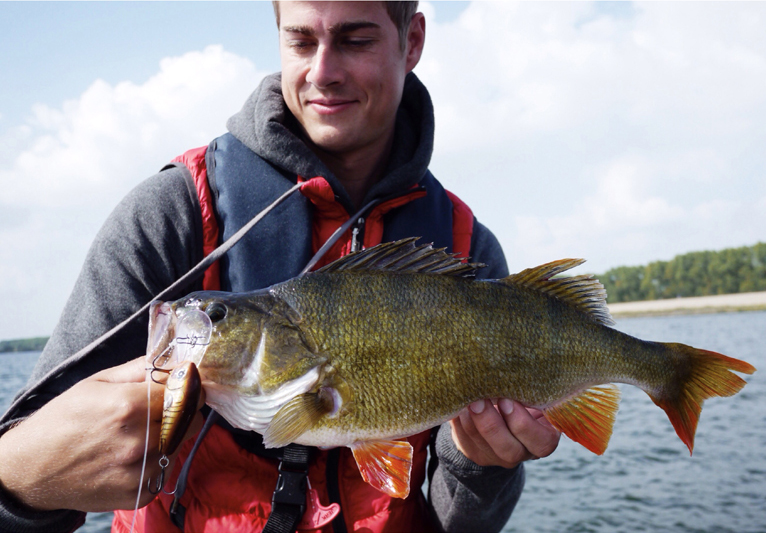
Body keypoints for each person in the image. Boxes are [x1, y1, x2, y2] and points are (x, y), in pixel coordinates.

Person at [0, 2, 560, 532]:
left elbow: (457, 520)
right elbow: (20, 454)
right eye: (300, 40)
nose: (323, 71)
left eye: (355, 39)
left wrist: (480, 464)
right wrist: (26, 478)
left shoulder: (466, 251)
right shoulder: (170, 214)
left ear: (411, 41)